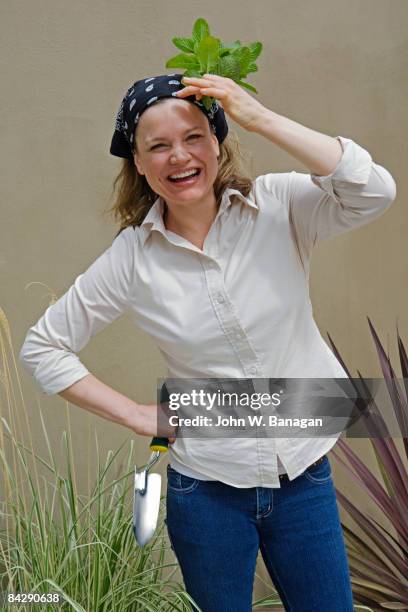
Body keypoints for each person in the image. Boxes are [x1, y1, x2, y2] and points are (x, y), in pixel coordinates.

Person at [19, 72, 396, 611]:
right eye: (158, 146)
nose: (179, 156)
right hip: (208, 490)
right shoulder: (133, 258)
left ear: (218, 142)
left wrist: (258, 116)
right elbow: (43, 348)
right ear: (139, 164)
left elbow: (373, 190)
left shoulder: (279, 206)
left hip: (304, 476)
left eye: (194, 136)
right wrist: (135, 413)